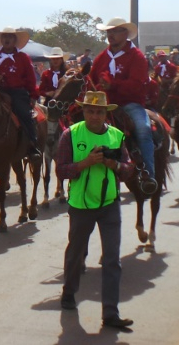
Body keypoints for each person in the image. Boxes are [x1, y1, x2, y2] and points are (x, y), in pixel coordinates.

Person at [57, 91, 135, 330]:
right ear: (83, 111)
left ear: (106, 113)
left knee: (112, 259)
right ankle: (69, 291)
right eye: (90, 110)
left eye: (99, 111)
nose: (94, 115)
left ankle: (110, 313)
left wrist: (116, 165)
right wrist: (84, 164)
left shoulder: (116, 135)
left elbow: (129, 168)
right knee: (75, 254)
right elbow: (60, 171)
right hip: (81, 206)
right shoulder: (70, 135)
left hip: (110, 204)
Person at [90, 17, 155, 179]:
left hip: (129, 104)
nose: (110, 35)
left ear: (125, 34)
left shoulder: (137, 56)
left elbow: (137, 85)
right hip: (103, 105)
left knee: (143, 129)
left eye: (114, 31)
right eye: (108, 32)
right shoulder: (101, 57)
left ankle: (148, 174)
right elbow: (91, 80)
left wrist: (113, 85)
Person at [0, 27, 41, 159]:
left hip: (17, 93)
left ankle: (32, 144)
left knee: (24, 114)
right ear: (1, 40)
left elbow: (31, 78)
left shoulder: (23, 57)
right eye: (4, 37)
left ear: (14, 40)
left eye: (10, 37)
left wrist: (33, 95)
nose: (7, 39)